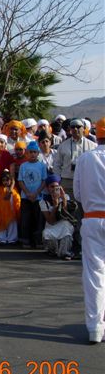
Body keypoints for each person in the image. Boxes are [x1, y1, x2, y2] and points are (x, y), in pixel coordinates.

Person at [73, 117, 105, 344]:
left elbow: (77, 194)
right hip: (94, 218)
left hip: (93, 219)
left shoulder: (85, 158)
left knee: (94, 275)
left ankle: (95, 328)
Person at [54, 118, 97, 200]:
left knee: (85, 205)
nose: (75, 129)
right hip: (67, 182)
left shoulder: (93, 146)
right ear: (70, 129)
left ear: (84, 128)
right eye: (73, 127)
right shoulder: (63, 146)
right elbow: (56, 164)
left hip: (86, 181)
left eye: (78, 126)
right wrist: (58, 181)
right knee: (68, 205)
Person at [17, 141, 48, 248]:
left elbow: (44, 181)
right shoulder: (23, 166)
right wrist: (28, 193)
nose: (33, 154)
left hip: (38, 197)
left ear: (38, 153)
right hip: (26, 197)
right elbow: (20, 181)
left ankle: (38, 240)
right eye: (30, 152)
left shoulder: (42, 166)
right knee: (26, 219)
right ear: (27, 153)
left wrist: (36, 193)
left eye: (35, 152)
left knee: (38, 219)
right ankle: (26, 240)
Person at [39, 174, 74, 260]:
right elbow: (50, 221)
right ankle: (53, 250)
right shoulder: (43, 201)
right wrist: (55, 206)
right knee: (46, 234)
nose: (54, 189)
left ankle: (64, 252)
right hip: (52, 226)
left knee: (66, 226)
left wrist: (64, 200)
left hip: (63, 224)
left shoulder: (65, 197)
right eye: (52, 187)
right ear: (47, 188)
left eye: (57, 186)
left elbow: (66, 215)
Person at [0, 171, 21, 244]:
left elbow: (17, 200)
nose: (5, 182)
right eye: (3, 180)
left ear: (11, 181)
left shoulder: (14, 189)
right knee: (1, 224)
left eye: (7, 180)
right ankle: (1, 238)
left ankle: (12, 239)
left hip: (12, 211)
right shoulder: (0, 190)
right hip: (2, 212)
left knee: (12, 224)